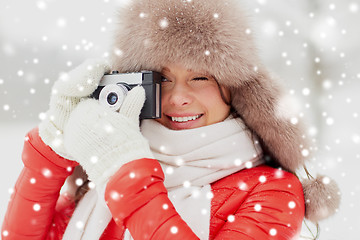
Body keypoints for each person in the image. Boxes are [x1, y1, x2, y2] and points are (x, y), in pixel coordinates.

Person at [2, 0, 340, 239]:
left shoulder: (273, 192)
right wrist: (50, 149)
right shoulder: (104, 179)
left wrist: (127, 171)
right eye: (161, 79)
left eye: (201, 78)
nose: (178, 97)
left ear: (235, 90)